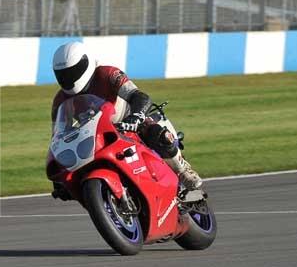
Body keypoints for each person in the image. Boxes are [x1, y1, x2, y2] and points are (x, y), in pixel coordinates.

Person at [50, 41, 202, 191]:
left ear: (87, 63)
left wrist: (136, 117)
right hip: (96, 137)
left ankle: (182, 170)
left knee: (156, 133)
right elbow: (58, 137)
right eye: (63, 74)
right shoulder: (60, 100)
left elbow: (139, 96)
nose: (68, 78)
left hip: (128, 123)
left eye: (73, 71)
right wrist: (60, 175)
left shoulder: (108, 73)